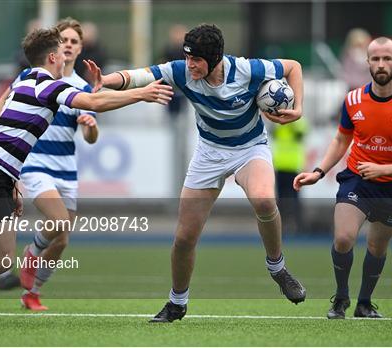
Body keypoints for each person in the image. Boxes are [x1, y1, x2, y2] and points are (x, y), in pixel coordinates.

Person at [0, 27, 173, 325]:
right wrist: (142, 94)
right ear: (54, 56)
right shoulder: (46, 86)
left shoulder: (27, 80)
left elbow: (7, 132)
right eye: (62, 49)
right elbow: (94, 103)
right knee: (2, 257)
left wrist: (13, 179)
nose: (66, 53)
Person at [98, 24, 306, 323]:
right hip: (209, 153)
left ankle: (277, 268)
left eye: (196, 60)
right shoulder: (182, 71)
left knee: (263, 200)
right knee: (184, 238)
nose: (189, 65)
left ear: (216, 58)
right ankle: (177, 302)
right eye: (187, 58)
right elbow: (139, 76)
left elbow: (294, 67)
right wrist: (104, 80)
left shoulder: (248, 70)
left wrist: (297, 108)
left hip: (249, 147)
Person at [294, 37, 392, 319]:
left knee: (376, 247)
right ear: (367, 62)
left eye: (386, 59)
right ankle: (341, 298)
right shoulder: (353, 99)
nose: (381, 64)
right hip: (357, 180)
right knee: (343, 238)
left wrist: (383, 170)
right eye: (375, 59)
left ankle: (364, 303)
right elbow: (341, 140)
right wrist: (319, 171)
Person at [17, 17, 99, 310]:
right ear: (55, 46)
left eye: (74, 42)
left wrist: (89, 125)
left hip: (66, 167)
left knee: (62, 240)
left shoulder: (83, 88)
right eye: (63, 40)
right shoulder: (35, 75)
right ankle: (32, 251)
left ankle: (32, 292)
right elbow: (6, 103)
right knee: (58, 221)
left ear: (80, 49)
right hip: (37, 162)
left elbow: (90, 137)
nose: (68, 45)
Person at [271, 117, 308, 234]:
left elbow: (300, 134)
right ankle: (279, 226)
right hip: (280, 166)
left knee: (295, 199)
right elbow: (273, 133)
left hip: (293, 167)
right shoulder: (278, 123)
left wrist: (291, 120)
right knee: (280, 199)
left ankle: (298, 226)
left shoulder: (299, 122)